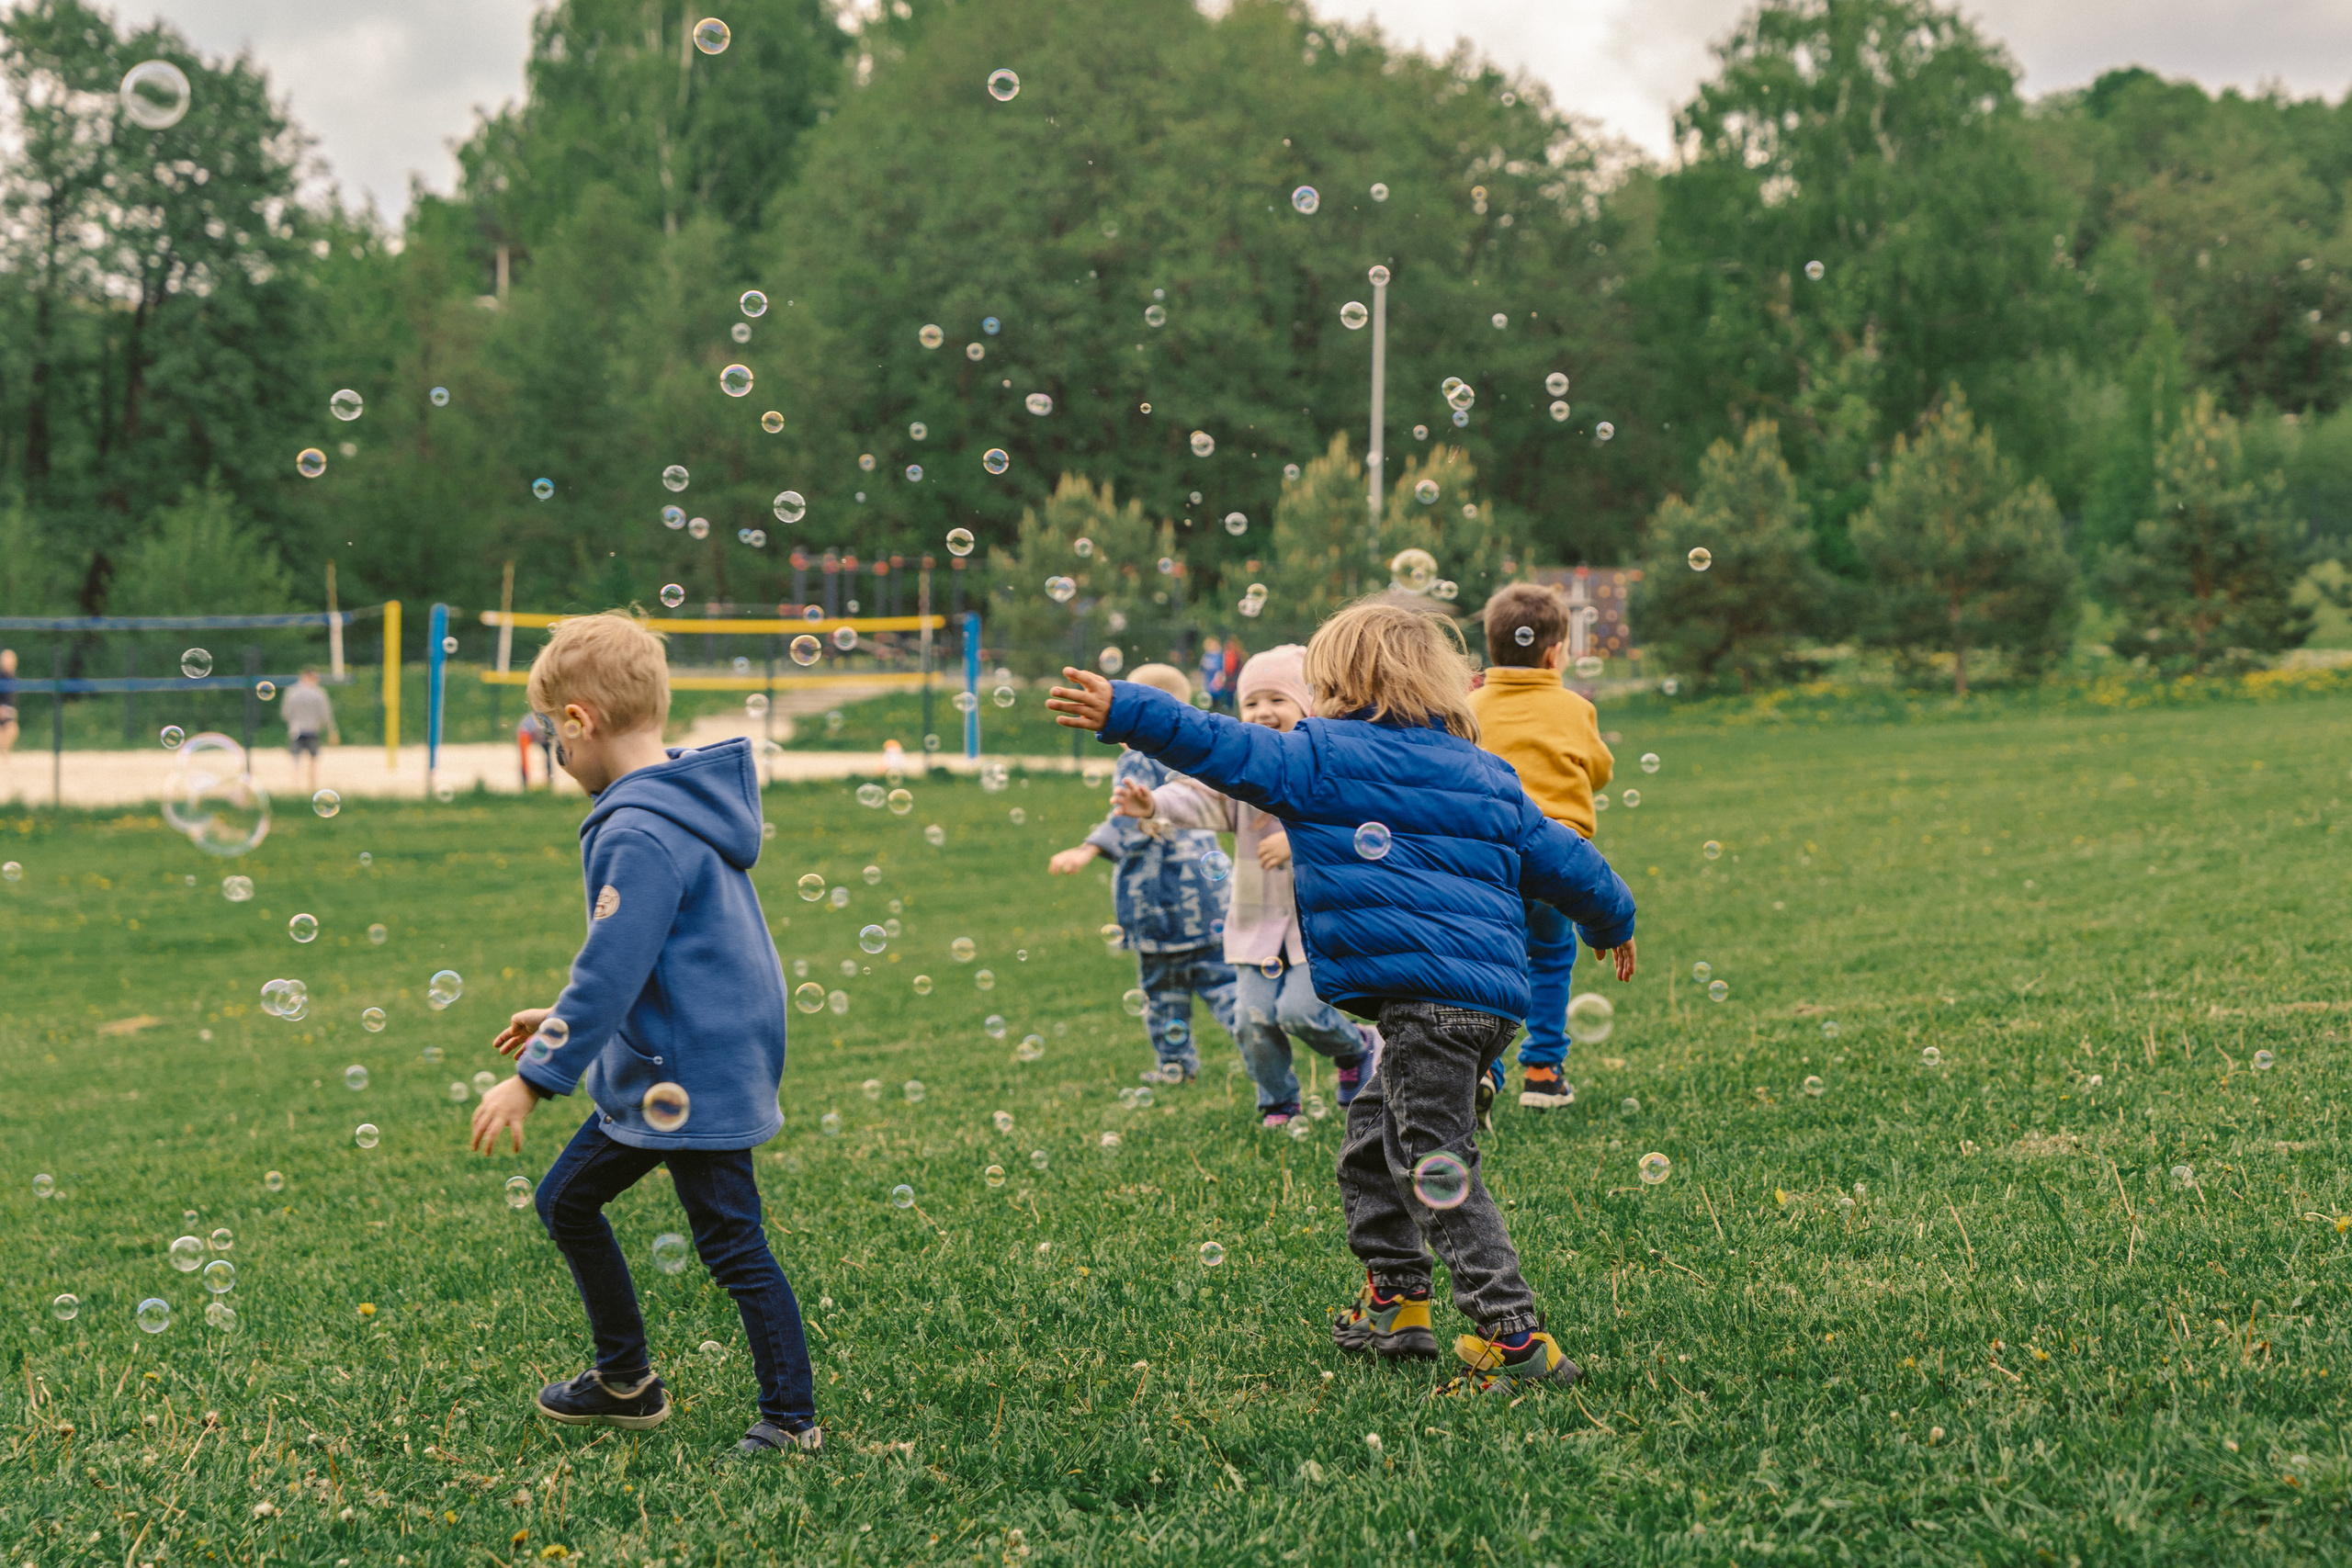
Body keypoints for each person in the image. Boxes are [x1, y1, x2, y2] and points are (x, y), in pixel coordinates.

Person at [1048, 597, 1636, 1394]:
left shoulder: (1319, 756)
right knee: (1369, 1142)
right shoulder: (1486, 770)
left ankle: (1516, 1338)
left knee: (1435, 1162)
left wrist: (1126, 708)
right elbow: (1562, 856)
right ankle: (1397, 1300)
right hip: (1483, 1006)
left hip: (1426, 1006)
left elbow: (1215, 743)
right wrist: (1612, 918)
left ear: (1336, 685)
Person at [467, 610, 819, 1460]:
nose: (555, 749)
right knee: (569, 1199)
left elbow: (612, 970)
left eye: (554, 731)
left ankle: (791, 1419)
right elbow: (648, 957)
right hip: (681, 1061)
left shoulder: (637, 827)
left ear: (580, 721)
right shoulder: (680, 805)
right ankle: (625, 1381)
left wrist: (536, 1075)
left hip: (686, 1074)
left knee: (733, 1243)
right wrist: (557, 1012)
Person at [1120, 646, 1376, 1127]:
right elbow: (1200, 796)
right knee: (1251, 1020)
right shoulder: (1242, 772)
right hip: (1256, 921)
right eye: (1251, 703)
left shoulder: (1329, 769)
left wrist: (1296, 843)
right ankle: (1278, 1101)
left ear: (1309, 706)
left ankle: (1357, 1047)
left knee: (1301, 1012)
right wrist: (1153, 804)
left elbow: (1357, 830)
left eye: (1277, 699)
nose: (1262, 712)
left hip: (1319, 928)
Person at [1045, 662, 1237, 1085]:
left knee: (1164, 992)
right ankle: (1261, 1048)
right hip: (1212, 898)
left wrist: (1087, 849)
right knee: (1225, 986)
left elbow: (1129, 821)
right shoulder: (1195, 753)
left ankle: (1175, 1065)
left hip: (1162, 903)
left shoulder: (1138, 756)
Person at [1468, 583, 1613, 1114]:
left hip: (1489, 863)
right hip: (1557, 863)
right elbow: (1597, 770)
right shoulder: (1575, 707)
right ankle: (1544, 1072)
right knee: (1549, 961)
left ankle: (1486, 1068)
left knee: (1494, 966)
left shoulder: (1470, 705)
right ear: (1554, 654)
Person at [281, 669, 337, 795]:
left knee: (295, 760)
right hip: (313, 729)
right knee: (313, 760)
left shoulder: (292, 692)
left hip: (296, 730)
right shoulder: (318, 693)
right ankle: (312, 788)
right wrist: (331, 730)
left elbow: (285, 713)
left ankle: (295, 788)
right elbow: (325, 714)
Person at [516, 710, 552, 790]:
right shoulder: (540, 720)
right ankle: (525, 783)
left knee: (548, 757)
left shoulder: (548, 720)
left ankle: (549, 780)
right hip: (525, 732)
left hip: (539, 732)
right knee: (525, 760)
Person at [0, 647, 18, 764]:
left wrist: (11, 710)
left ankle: (3, 752)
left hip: (5, 711)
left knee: (12, 729)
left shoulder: (12, 679)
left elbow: (10, 701)